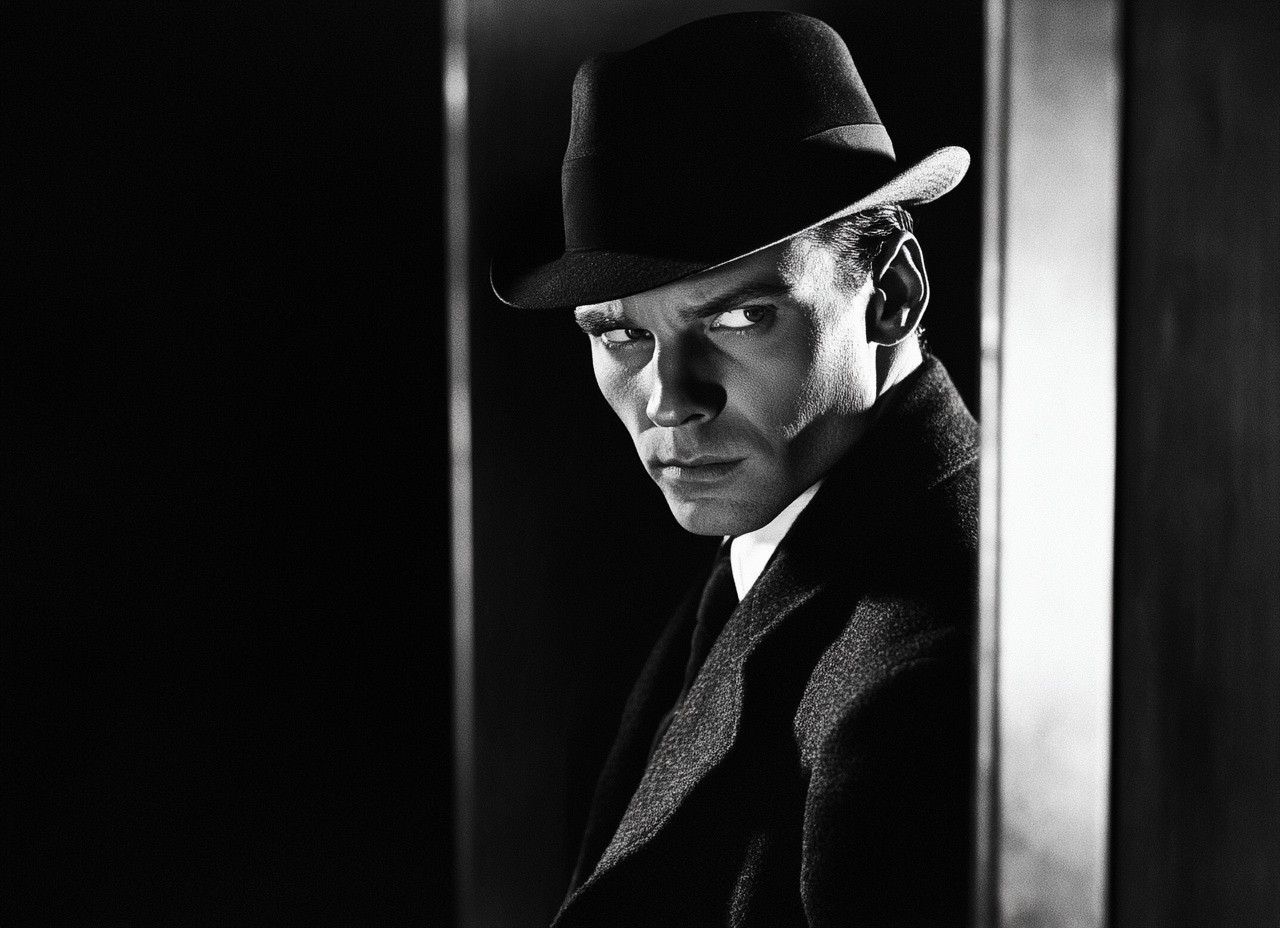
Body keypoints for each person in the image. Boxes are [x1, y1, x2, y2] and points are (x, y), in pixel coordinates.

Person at [492, 12, 977, 926]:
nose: (672, 400)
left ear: (895, 295)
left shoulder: (918, 675)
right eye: (622, 334)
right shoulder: (780, 544)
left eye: (740, 319)